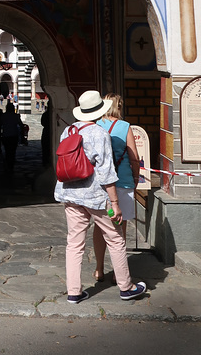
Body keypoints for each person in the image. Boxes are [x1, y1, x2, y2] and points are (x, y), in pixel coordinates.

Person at [55, 90, 146, 304]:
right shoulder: (99, 133)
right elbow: (106, 171)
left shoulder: (67, 131)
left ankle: (74, 292)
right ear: (98, 111)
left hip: (70, 193)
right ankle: (126, 287)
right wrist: (115, 202)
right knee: (115, 238)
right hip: (96, 196)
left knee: (74, 243)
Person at [93, 93, 141, 282]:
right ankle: (117, 271)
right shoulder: (125, 127)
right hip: (122, 181)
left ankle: (98, 269)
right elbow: (134, 156)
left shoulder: (96, 125)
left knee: (99, 227)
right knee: (119, 228)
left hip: (100, 183)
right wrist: (136, 177)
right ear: (119, 106)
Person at [0, 102, 22, 174]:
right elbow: (20, 124)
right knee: (13, 151)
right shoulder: (16, 116)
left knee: (7, 151)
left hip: (6, 135)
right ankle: (11, 165)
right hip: (14, 135)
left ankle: (8, 164)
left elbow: (0, 125)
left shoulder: (3, 116)